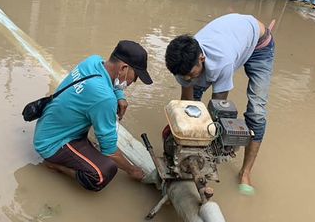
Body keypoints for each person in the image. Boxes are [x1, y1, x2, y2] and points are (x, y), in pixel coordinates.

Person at [165, 13, 275, 195]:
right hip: (235, 39)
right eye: (184, 76)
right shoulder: (181, 64)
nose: (187, 79)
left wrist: (210, 144)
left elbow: (219, 108)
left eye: (191, 74)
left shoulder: (222, 62)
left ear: (201, 59)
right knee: (193, 106)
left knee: (256, 112)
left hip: (260, 45)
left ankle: (245, 172)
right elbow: (187, 103)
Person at [34, 40, 153, 192]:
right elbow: (109, 151)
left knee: (98, 120)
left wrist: (120, 96)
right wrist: (132, 170)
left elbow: (107, 81)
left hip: (47, 126)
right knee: (104, 172)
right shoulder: (104, 98)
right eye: (135, 76)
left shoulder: (94, 61)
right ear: (124, 68)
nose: (133, 82)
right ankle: (55, 166)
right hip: (52, 143)